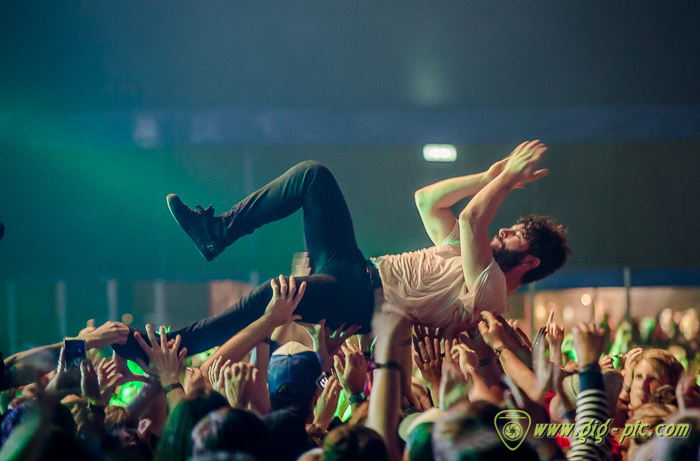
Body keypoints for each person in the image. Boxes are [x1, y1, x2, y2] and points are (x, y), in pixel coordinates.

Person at [114, 140, 570, 362]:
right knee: (313, 175)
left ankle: (174, 346)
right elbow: (427, 200)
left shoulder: (490, 292)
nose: (504, 231)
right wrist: (488, 175)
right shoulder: (463, 250)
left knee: (275, 295)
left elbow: (472, 219)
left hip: (362, 304)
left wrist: (505, 180)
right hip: (354, 268)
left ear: (530, 261)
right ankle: (217, 232)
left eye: (516, 235)